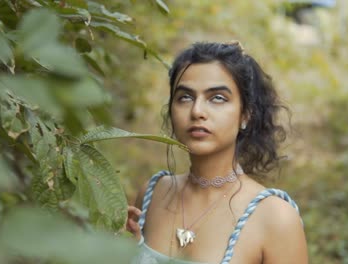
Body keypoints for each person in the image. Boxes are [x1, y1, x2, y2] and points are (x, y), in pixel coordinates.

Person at [127, 41, 308, 264]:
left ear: (245, 115)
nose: (197, 111)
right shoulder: (152, 194)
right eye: (185, 97)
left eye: (218, 98)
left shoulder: (275, 217)